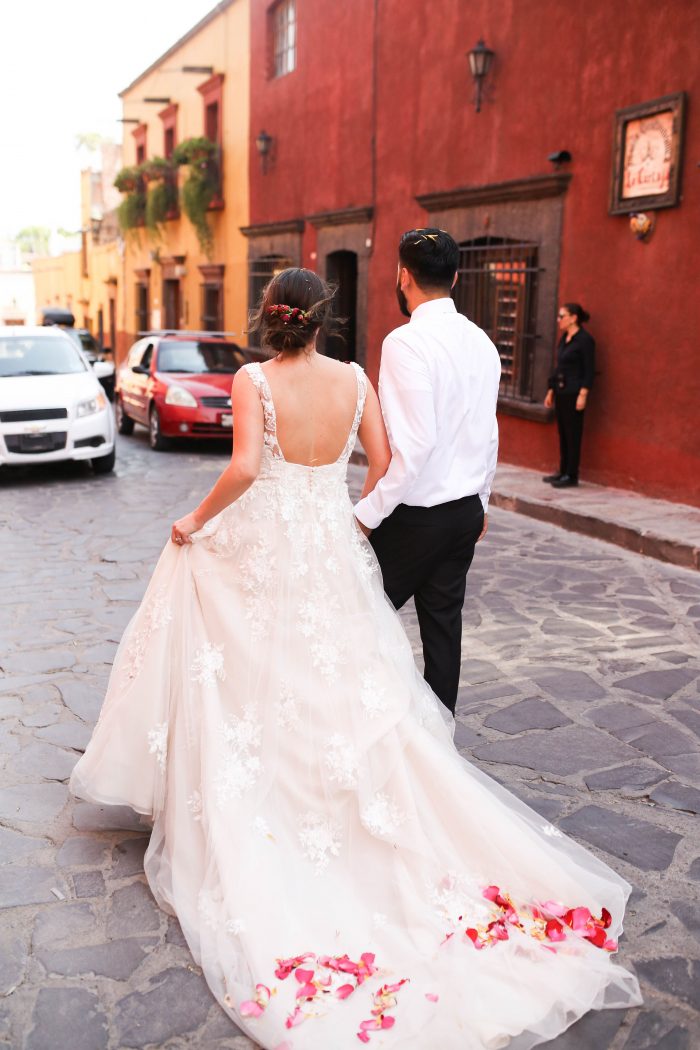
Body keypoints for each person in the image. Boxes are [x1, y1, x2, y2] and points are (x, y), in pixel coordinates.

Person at [70, 267, 640, 1049]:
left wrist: (191, 519)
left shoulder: (252, 379)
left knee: (246, 666)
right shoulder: (355, 381)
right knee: (340, 678)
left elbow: (241, 469)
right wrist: (344, 522)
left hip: (267, 543)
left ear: (272, 320)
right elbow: (383, 463)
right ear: (323, 318)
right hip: (330, 545)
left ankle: (270, 796)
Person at [354, 228, 500, 715]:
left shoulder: (406, 342)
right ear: (455, 277)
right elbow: (490, 432)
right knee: (442, 631)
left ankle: (368, 732)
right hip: (461, 514)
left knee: (354, 613)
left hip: (417, 515)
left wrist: (367, 514)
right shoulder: (482, 342)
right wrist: (482, 502)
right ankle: (441, 743)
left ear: (403, 276)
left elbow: (414, 447)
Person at [543, 303, 595, 488]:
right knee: (563, 433)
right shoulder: (565, 338)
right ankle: (563, 471)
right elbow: (559, 367)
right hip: (561, 391)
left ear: (573, 318)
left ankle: (572, 475)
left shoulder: (585, 340)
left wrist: (583, 394)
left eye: (562, 316)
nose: (559, 320)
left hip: (575, 393)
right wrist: (551, 390)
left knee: (573, 434)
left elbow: (589, 370)